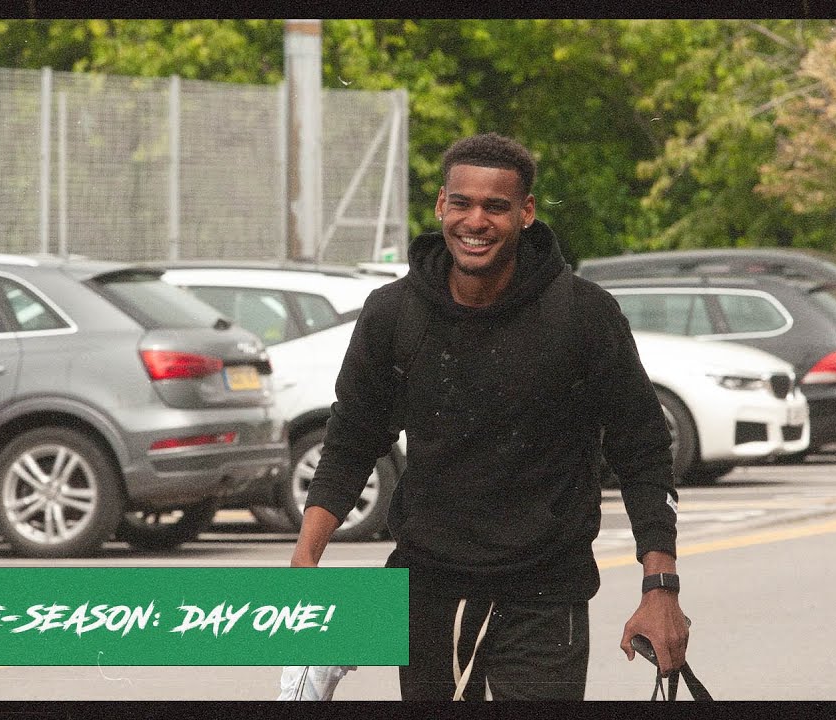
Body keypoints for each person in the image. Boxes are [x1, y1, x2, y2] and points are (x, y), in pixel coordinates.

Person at [290, 132, 688, 701]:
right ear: (441, 206)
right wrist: (306, 558)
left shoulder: (583, 315)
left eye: (496, 206)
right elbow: (352, 441)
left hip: (546, 597)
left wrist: (661, 588)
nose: (476, 221)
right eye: (462, 203)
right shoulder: (394, 314)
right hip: (427, 592)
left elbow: (644, 452)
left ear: (525, 213)